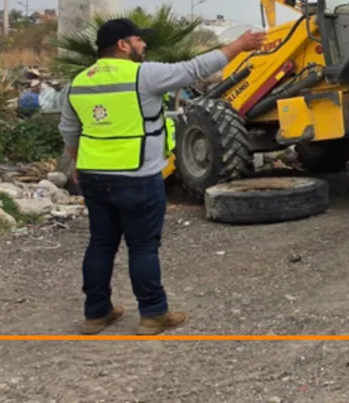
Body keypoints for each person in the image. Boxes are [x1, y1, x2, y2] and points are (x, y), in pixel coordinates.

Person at [58, 18, 266, 336]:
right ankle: (153, 314)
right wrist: (239, 46)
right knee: (143, 246)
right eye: (138, 40)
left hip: (94, 177)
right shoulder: (143, 75)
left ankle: (96, 314)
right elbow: (194, 69)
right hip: (138, 176)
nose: (144, 45)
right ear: (123, 45)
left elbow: (70, 133)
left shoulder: (78, 83)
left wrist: (80, 163)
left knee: (101, 243)